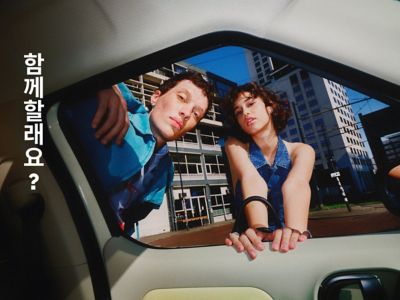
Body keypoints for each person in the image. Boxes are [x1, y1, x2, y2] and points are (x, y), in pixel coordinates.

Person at [62, 71, 212, 235]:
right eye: (182, 98)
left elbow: (131, 216)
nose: (186, 113)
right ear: (155, 97)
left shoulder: (166, 171)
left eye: (196, 114)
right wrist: (101, 82)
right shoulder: (116, 108)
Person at [221, 82, 315, 259]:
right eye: (238, 112)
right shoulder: (235, 146)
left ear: (270, 107)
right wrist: (259, 230)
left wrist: (295, 232)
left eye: (250, 104)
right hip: (250, 243)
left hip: (290, 241)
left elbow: (296, 185)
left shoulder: (301, 150)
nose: (245, 113)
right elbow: (252, 179)